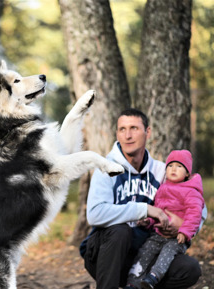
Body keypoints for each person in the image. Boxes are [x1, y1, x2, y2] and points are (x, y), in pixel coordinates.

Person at [79, 108, 207, 289]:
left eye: (134, 128)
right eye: (122, 129)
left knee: (189, 269)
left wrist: (180, 223)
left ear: (148, 132)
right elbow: (94, 214)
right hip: (105, 255)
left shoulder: (162, 171)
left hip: (143, 255)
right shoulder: (106, 169)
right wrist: (145, 209)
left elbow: (199, 205)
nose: (127, 135)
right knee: (120, 230)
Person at [125, 149, 205, 289]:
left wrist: (185, 231)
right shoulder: (163, 188)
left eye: (179, 166)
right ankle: (133, 282)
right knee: (145, 252)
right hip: (158, 234)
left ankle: (153, 278)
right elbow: (158, 210)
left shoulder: (191, 191)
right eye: (170, 166)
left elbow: (195, 213)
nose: (174, 169)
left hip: (177, 237)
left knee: (166, 254)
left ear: (187, 173)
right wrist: (148, 221)